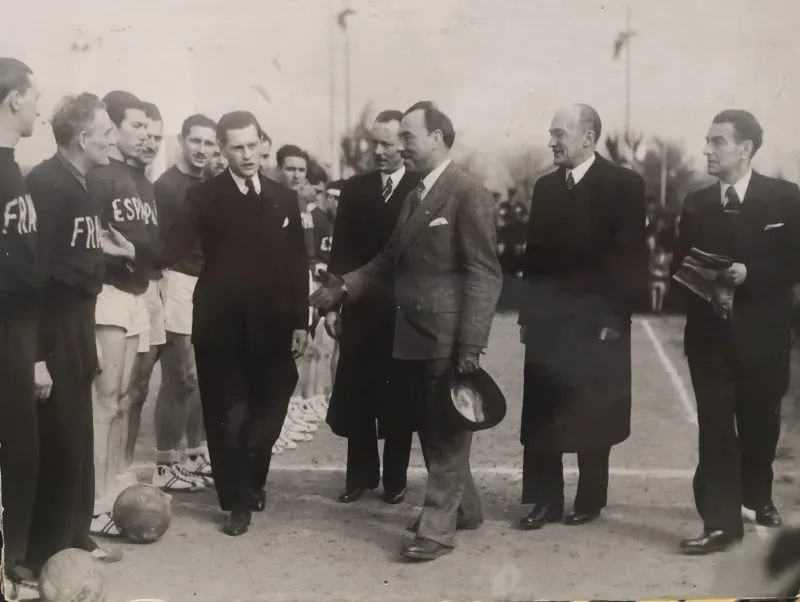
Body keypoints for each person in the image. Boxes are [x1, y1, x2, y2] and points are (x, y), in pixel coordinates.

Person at [311, 101, 502, 562]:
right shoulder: (417, 195)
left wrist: (471, 343)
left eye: (408, 138)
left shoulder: (467, 191)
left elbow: (484, 274)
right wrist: (343, 288)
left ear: (436, 138)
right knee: (436, 427)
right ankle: (467, 509)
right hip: (411, 334)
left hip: (445, 337)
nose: (399, 147)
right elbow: (387, 259)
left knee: (444, 432)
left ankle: (437, 529)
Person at [158, 110, 309, 536]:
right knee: (227, 417)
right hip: (220, 325)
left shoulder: (283, 196)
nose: (247, 155)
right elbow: (173, 247)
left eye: (252, 145)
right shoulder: (205, 197)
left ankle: (252, 478)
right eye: (236, 147)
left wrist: (301, 320)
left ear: (263, 142)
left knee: (271, 408)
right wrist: (132, 254)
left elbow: (297, 262)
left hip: (275, 325)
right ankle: (236, 501)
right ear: (223, 151)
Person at [673, 110, 800, 555]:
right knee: (715, 430)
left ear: (745, 149)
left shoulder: (786, 199)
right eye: (706, 141)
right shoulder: (696, 203)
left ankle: (758, 494)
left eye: (717, 142)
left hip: (764, 339)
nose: (706, 149)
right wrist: (705, 283)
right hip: (710, 338)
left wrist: (753, 274)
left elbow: (794, 263)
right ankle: (721, 523)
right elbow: (678, 267)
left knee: (760, 426)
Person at [517, 104, 646, 531]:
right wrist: (527, 316)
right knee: (542, 411)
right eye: (551, 133)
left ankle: (590, 498)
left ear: (588, 136)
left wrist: (614, 317)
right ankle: (544, 500)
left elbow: (630, 259)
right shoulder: (544, 188)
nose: (551, 141)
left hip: (598, 323)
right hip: (548, 322)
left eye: (559, 133)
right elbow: (533, 257)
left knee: (593, 410)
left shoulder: (623, 185)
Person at [21, 93, 127, 580]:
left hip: (78, 324)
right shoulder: (45, 184)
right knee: (57, 439)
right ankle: (46, 553)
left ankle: (73, 535)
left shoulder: (79, 182)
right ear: (83, 137)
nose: (114, 137)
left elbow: (79, 260)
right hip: (52, 327)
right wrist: (38, 355)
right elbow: (33, 277)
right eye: (107, 130)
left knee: (76, 436)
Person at [324, 109, 419, 505]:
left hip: (403, 313)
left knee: (399, 397)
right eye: (374, 143)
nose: (379, 151)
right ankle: (360, 476)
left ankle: (395, 479)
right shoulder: (355, 189)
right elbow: (341, 252)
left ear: (405, 143)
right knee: (359, 393)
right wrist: (331, 304)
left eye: (388, 143)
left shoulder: (420, 186)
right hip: (360, 309)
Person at [86, 90, 155, 536]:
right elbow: (89, 243)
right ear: (112, 130)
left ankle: (109, 487)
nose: (144, 134)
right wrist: (127, 257)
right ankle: (95, 499)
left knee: (123, 400)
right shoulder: (100, 177)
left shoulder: (142, 182)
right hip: (108, 292)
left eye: (148, 127)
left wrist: (137, 255)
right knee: (104, 401)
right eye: (136, 126)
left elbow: (153, 248)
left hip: (135, 291)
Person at [149, 113, 218, 491]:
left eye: (210, 143)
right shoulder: (166, 186)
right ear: (182, 141)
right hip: (177, 281)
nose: (203, 149)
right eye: (197, 141)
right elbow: (158, 241)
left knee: (203, 377)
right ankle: (163, 464)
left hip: (208, 285)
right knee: (180, 377)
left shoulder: (212, 183)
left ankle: (194, 456)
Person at [0, 56, 42, 594]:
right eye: (35, 96)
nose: (39, 108)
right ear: (14, 98)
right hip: (7, 324)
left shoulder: (13, 167)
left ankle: (14, 559)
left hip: (19, 326)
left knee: (23, 448)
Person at [123, 101, 181, 485]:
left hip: (154, 285)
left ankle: (124, 467)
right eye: (143, 133)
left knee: (140, 388)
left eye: (157, 137)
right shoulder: (115, 179)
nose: (150, 142)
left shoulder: (145, 184)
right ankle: (118, 471)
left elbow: (159, 248)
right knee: (125, 389)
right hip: (128, 291)